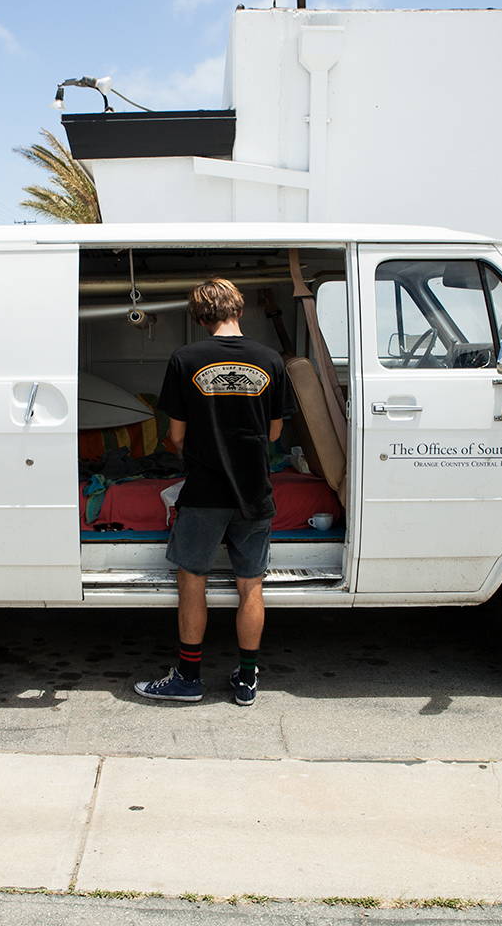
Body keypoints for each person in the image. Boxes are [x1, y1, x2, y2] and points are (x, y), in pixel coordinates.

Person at [134, 278, 287, 707]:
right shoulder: (270, 359)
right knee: (251, 586)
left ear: (201, 316)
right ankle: (247, 679)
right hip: (254, 492)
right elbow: (274, 431)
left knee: (192, 582)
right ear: (239, 308)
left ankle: (188, 678)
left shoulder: (186, 358)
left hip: (203, 492)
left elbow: (176, 436)